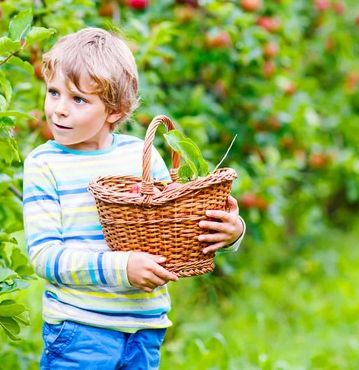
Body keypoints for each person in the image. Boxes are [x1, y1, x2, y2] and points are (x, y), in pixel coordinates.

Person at [22, 27, 246, 370]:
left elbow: (175, 227)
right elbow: (44, 256)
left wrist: (229, 233)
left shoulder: (138, 155)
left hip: (145, 329)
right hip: (81, 330)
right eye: (53, 93)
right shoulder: (44, 164)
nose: (59, 110)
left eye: (78, 99)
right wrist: (122, 268)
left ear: (114, 110)